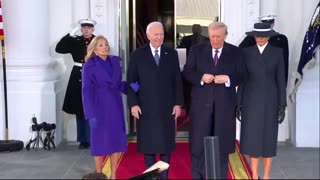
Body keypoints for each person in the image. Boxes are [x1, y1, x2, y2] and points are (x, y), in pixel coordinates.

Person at [182, 21, 245, 179]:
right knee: (198, 146)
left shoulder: (236, 52)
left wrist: (228, 79)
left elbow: (243, 75)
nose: (215, 40)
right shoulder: (197, 50)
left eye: (218, 36)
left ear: (225, 35)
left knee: (222, 147)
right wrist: (201, 77)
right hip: (201, 107)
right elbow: (187, 72)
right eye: (212, 37)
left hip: (224, 107)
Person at [127, 21, 184, 179]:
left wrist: (178, 103)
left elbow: (176, 81)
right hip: (146, 109)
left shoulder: (171, 53)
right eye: (156, 35)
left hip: (167, 109)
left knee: (166, 148)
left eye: (161, 35)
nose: (159, 38)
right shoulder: (137, 55)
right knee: (149, 148)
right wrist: (133, 104)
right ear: (148, 35)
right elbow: (132, 82)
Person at [236, 22, 287, 179]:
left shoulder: (277, 53)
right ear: (254, 36)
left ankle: (266, 176)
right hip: (250, 100)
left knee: (268, 139)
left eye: (264, 35)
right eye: (257, 35)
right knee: (253, 140)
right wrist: (239, 104)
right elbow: (242, 81)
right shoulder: (246, 53)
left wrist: (282, 106)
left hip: (270, 101)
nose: (260, 38)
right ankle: (254, 174)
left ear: (269, 36)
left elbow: (281, 81)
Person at [82, 35, 127, 179]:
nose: (105, 47)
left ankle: (114, 175)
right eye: (101, 45)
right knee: (99, 144)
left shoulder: (114, 62)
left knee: (116, 142)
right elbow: (86, 91)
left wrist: (137, 87)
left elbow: (120, 84)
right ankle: (99, 175)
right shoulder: (89, 65)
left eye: (106, 44)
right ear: (94, 49)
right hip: (98, 108)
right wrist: (90, 114)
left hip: (115, 106)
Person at [55, 19, 97, 149]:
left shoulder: (98, 41)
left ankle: (93, 138)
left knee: (93, 108)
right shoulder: (75, 41)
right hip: (77, 75)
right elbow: (59, 49)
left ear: (93, 29)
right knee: (79, 109)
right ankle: (83, 140)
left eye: (89, 27)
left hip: (93, 74)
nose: (86, 29)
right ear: (81, 29)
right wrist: (69, 35)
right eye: (84, 27)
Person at [239, 15, 289, 85]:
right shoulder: (251, 37)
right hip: (254, 78)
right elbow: (242, 53)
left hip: (273, 78)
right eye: (265, 23)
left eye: (270, 23)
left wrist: (284, 82)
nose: (269, 25)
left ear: (274, 23)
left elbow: (284, 62)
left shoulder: (281, 39)